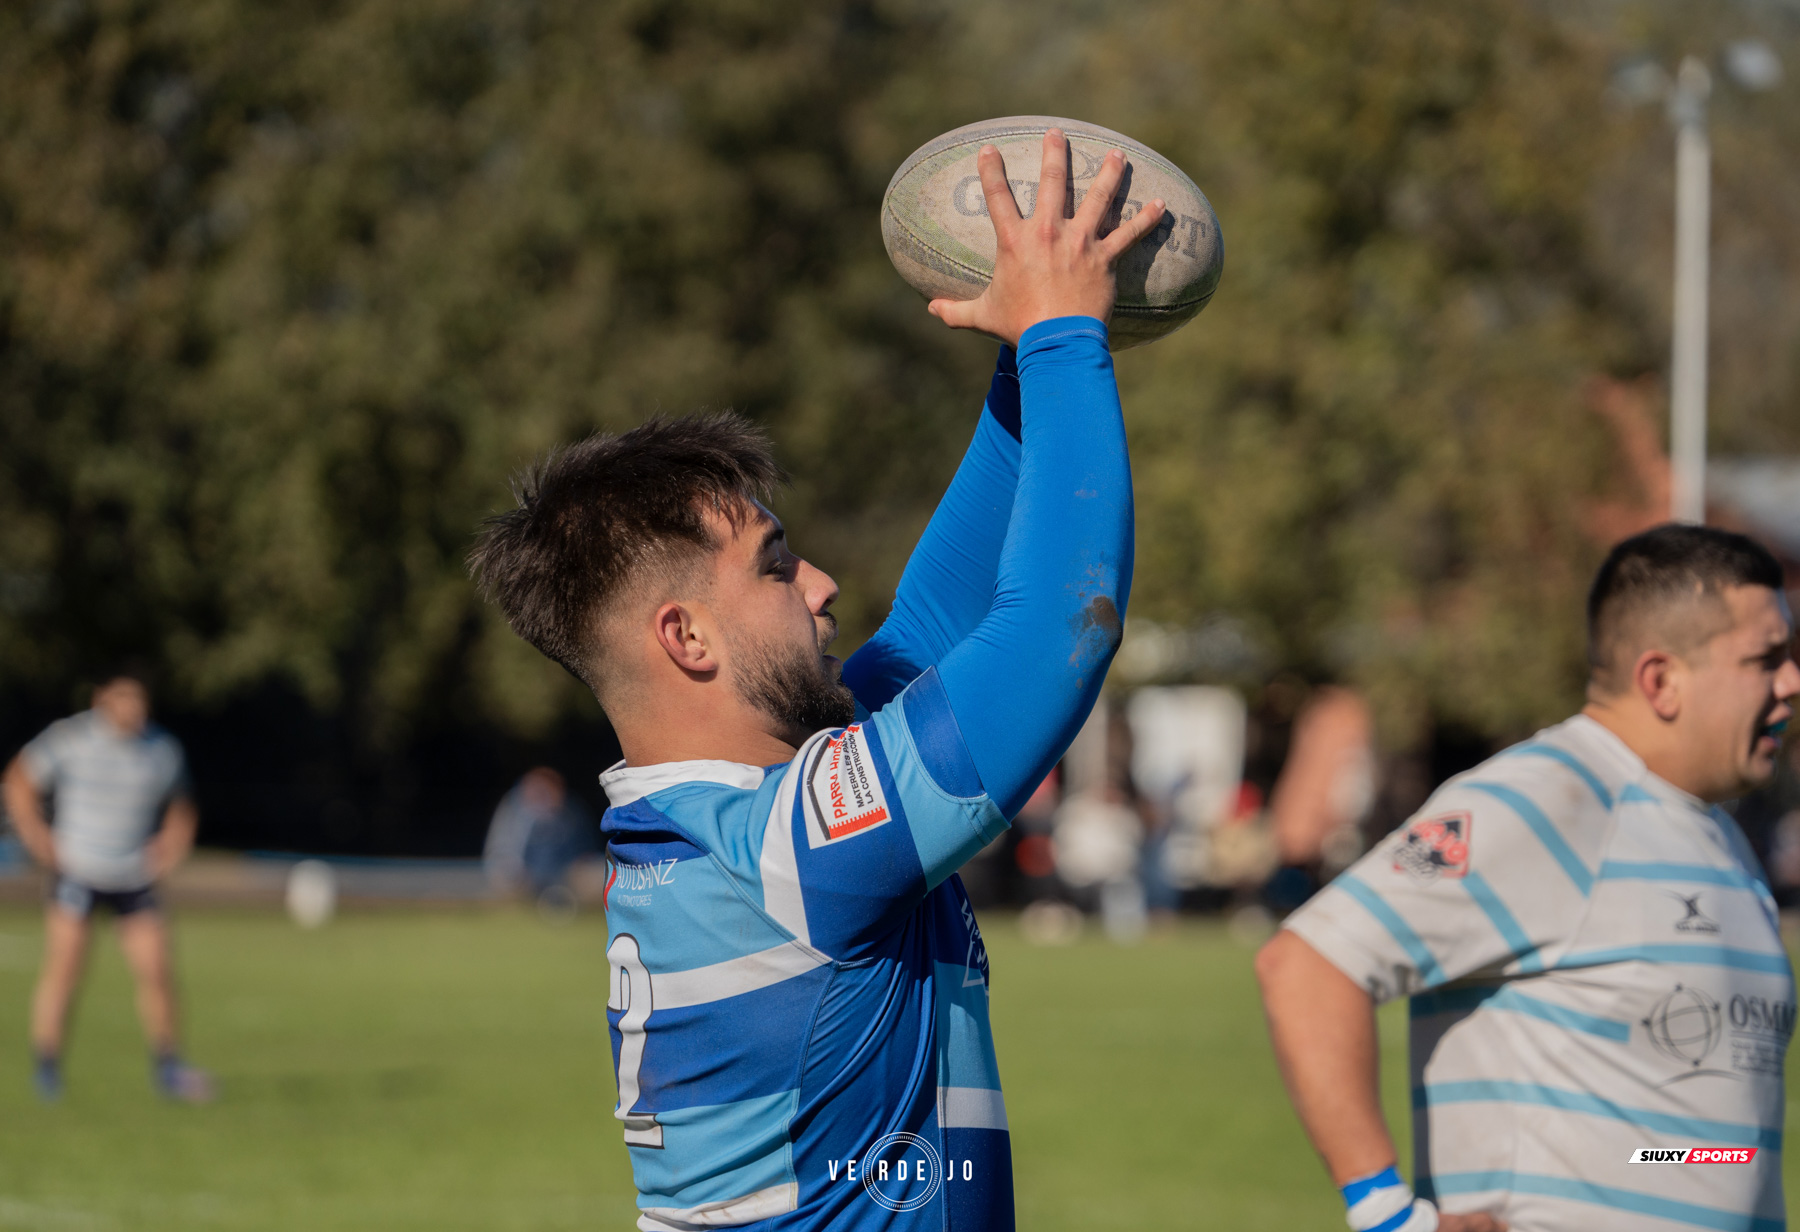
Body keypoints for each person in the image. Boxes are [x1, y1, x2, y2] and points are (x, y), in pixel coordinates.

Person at [469, 130, 1165, 1230]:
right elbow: (1050, 638)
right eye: (778, 564)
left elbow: (942, 618)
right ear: (685, 636)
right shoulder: (791, 847)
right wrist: (1066, 337)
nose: (826, 584)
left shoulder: (736, 820)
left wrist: (1023, 350)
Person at [1257, 524, 1798, 1232]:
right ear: (1661, 680)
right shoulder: (1548, 800)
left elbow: (1695, 1150)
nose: (1792, 681)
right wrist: (1387, 1215)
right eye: (1768, 659)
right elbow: (1306, 964)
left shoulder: (1719, 835)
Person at [2, 672, 214, 1103]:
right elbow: (18, 780)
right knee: (64, 970)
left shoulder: (160, 750)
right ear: (102, 699)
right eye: (123, 700)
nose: (132, 710)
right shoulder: (71, 739)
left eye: (138, 701)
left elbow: (183, 804)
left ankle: (169, 1067)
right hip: (78, 871)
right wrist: (37, 837)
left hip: (133, 876)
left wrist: (171, 848)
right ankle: (47, 1068)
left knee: (156, 969)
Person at [484, 766, 595, 903]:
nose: (546, 796)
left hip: (561, 878)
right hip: (522, 876)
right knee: (506, 875)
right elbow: (501, 850)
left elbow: (585, 851)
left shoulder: (571, 812)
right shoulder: (512, 810)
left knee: (590, 876)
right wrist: (520, 872)